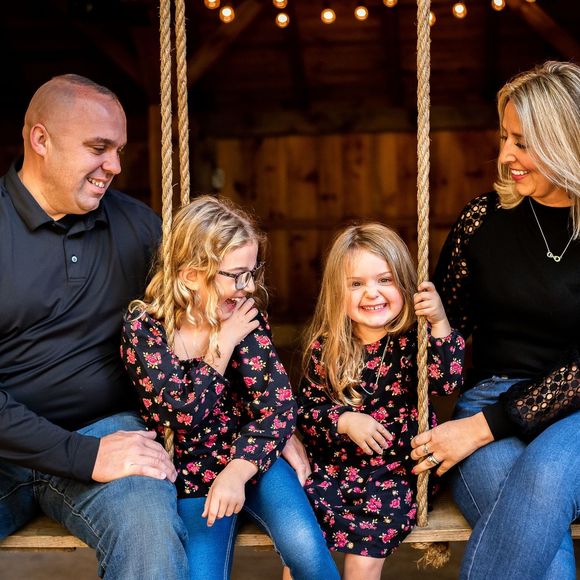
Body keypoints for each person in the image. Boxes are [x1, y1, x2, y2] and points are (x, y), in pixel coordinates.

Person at [0, 74, 188, 578]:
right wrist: (81, 456)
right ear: (41, 140)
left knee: (148, 528)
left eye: (118, 150)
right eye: (99, 148)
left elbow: (212, 316)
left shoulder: (140, 226)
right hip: (7, 450)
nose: (116, 166)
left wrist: (271, 425)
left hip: (109, 432)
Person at [410, 60, 580, 579]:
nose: (505, 156)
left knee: (543, 478)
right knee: (539, 539)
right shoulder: (482, 220)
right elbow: (441, 334)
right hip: (488, 399)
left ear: (565, 141)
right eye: (505, 137)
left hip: (573, 412)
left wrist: (478, 431)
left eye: (522, 142)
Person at [121, 195, 340, 580]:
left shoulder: (244, 315)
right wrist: (222, 343)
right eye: (237, 275)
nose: (248, 286)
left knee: (306, 549)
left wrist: (237, 471)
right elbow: (181, 412)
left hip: (253, 459)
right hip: (192, 475)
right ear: (191, 275)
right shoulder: (146, 329)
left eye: (252, 272)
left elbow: (278, 407)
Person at [295, 223, 465, 580]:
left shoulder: (414, 340)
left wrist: (439, 322)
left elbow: (446, 382)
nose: (371, 293)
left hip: (396, 472)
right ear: (336, 292)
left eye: (384, 280)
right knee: (302, 538)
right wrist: (344, 420)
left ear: (404, 284)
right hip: (334, 468)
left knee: (367, 549)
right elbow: (306, 412)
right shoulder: (328, 346)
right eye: (356, 284)